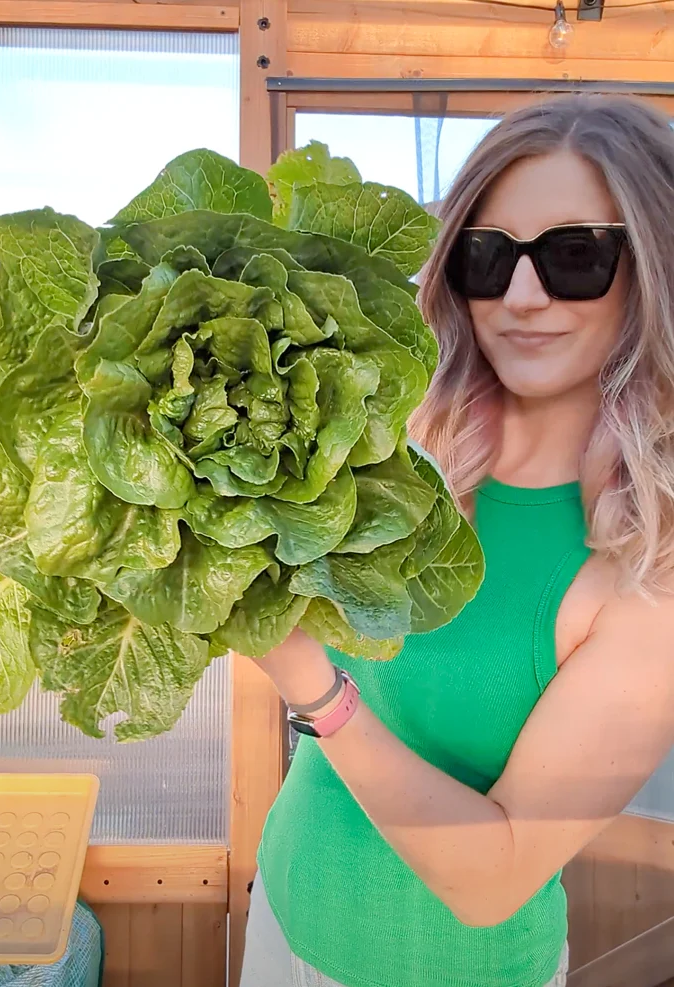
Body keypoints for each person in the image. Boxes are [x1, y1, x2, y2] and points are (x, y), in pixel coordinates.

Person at [237, 93, 674, 987]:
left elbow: (495, 875)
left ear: (652, 271)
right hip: (282, 915)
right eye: (488, 256)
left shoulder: (647, 569)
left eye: (573, 257)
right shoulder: (401, 444)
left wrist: (311, 687)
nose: (522, 295)